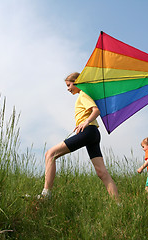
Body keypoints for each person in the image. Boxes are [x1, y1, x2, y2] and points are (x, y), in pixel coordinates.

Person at [38, 72, 119, 201]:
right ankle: (118, 204)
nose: (68, 88)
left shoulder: (83, 94)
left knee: (50, 154)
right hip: (93, 133)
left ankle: (45, 195)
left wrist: (86, 122)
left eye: (69, 85)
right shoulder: (82, 95)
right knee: (102, 173)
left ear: (77, 81)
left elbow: (96, 110)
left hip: (88, 131)